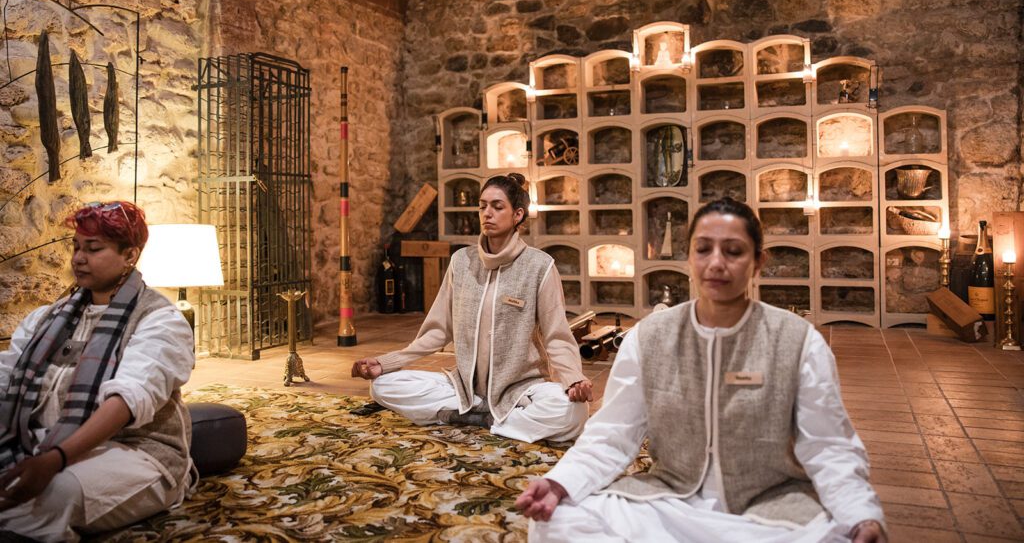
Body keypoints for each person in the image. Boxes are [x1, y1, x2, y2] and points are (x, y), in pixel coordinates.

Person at [517, 197, 888, 542]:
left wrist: (862, 515)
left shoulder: (798, 341)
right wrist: (559, 483)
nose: (716, 263)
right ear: (689, 258)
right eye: (703, 249)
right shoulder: (649, 337)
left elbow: (829, 447)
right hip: (669, 501)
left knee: (834, 535)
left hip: (764, 512)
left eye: (733, 251)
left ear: (758, 262)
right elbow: (612, 434)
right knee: (557, 520)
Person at [0, 201, 195, 541]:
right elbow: (8, 377)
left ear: (129, 255)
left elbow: (126, 402)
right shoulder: (47, 317)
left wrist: (56, 460)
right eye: (76, 246)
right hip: (45, 441)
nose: (78, 257)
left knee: (45, 497)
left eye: (93, 248)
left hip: (137, 452)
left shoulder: (159, 320)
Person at [352, 172, 591, 443]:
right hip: (466, 388)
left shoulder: (540, 266)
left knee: (574, 412)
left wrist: (574, 378)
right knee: (383, 386)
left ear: (518, 215)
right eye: (482, 206)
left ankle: (478, 420)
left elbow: (557, 337)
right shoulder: (460, 262)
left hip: (521, 390)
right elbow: (437, 332)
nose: (487, 213)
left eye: (497, 206)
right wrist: (386, 363)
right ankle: (486, 418)